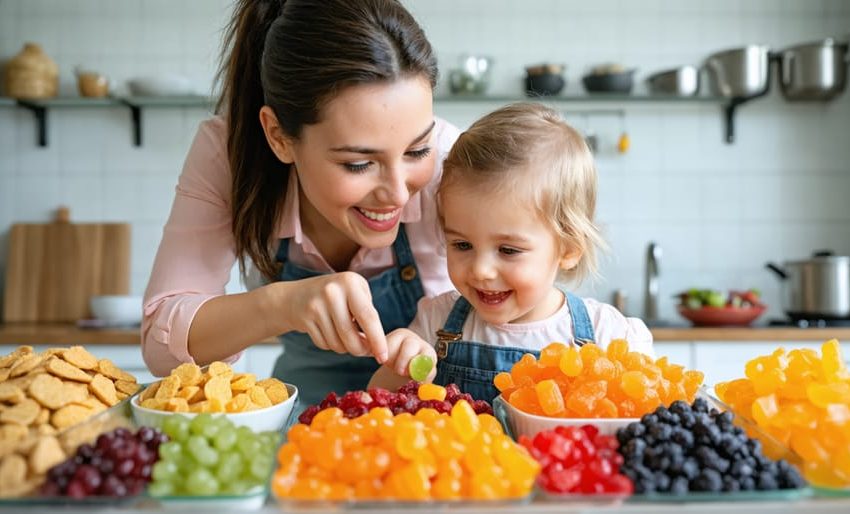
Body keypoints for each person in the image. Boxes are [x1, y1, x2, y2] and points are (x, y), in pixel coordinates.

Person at [141, 0, 460, 408]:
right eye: (359, 163)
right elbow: (159, 347)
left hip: (432, 414)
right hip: (308, 411)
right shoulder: (230, 154)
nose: (398, 193)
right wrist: (283, 304)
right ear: (277, 136)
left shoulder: (453, 161)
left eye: (417, 151)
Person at [369, 102, 653, 400]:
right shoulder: (435, 321)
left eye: (508, 250)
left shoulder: (608, 336)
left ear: (568, 248)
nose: (480, 270)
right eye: (462, 245)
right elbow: (379, 399)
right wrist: (400, 367)